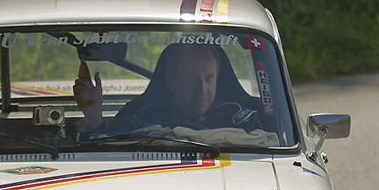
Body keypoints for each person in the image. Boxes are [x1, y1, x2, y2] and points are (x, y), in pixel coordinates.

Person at [73, 44, 261, 134]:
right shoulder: (138, 119)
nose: (202, 89)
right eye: (192, 79)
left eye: (209, 78)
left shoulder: (241, 120)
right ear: (171, 82)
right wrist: (94, 117)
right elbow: (108, 157)